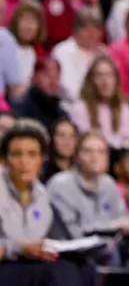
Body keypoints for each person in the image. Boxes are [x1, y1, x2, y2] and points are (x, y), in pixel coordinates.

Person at [0, 120, 93, 286]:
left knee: (85, 268)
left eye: (32, 154)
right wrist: (19, 248)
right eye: (16, 154)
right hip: (6, 265)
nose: (24, 161)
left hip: (32, 265)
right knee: (60, 273)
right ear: (5, 160)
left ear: (41, 161)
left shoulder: (42, 195)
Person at [45, 132, 129, 241]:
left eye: (101, 152)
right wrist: (108, 227)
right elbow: (68, 233)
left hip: (108, 249)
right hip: (72, 253)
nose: (94, 157)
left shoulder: (108, 183)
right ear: (77, 156)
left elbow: (123, 219)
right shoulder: (60, 185)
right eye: (88, 151)